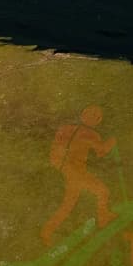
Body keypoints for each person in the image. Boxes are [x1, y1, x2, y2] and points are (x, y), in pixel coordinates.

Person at [39, 105, 116, 245]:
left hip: (62, 168)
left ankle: (46, 232)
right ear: (96, 120)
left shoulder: (65, 128)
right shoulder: (92, 135)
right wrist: (112, 142)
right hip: (76, 173)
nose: (97, 119)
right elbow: (101, 152)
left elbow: (55, 148)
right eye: (97, 117)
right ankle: (103, 219)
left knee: (69, 203)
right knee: (102, 191)